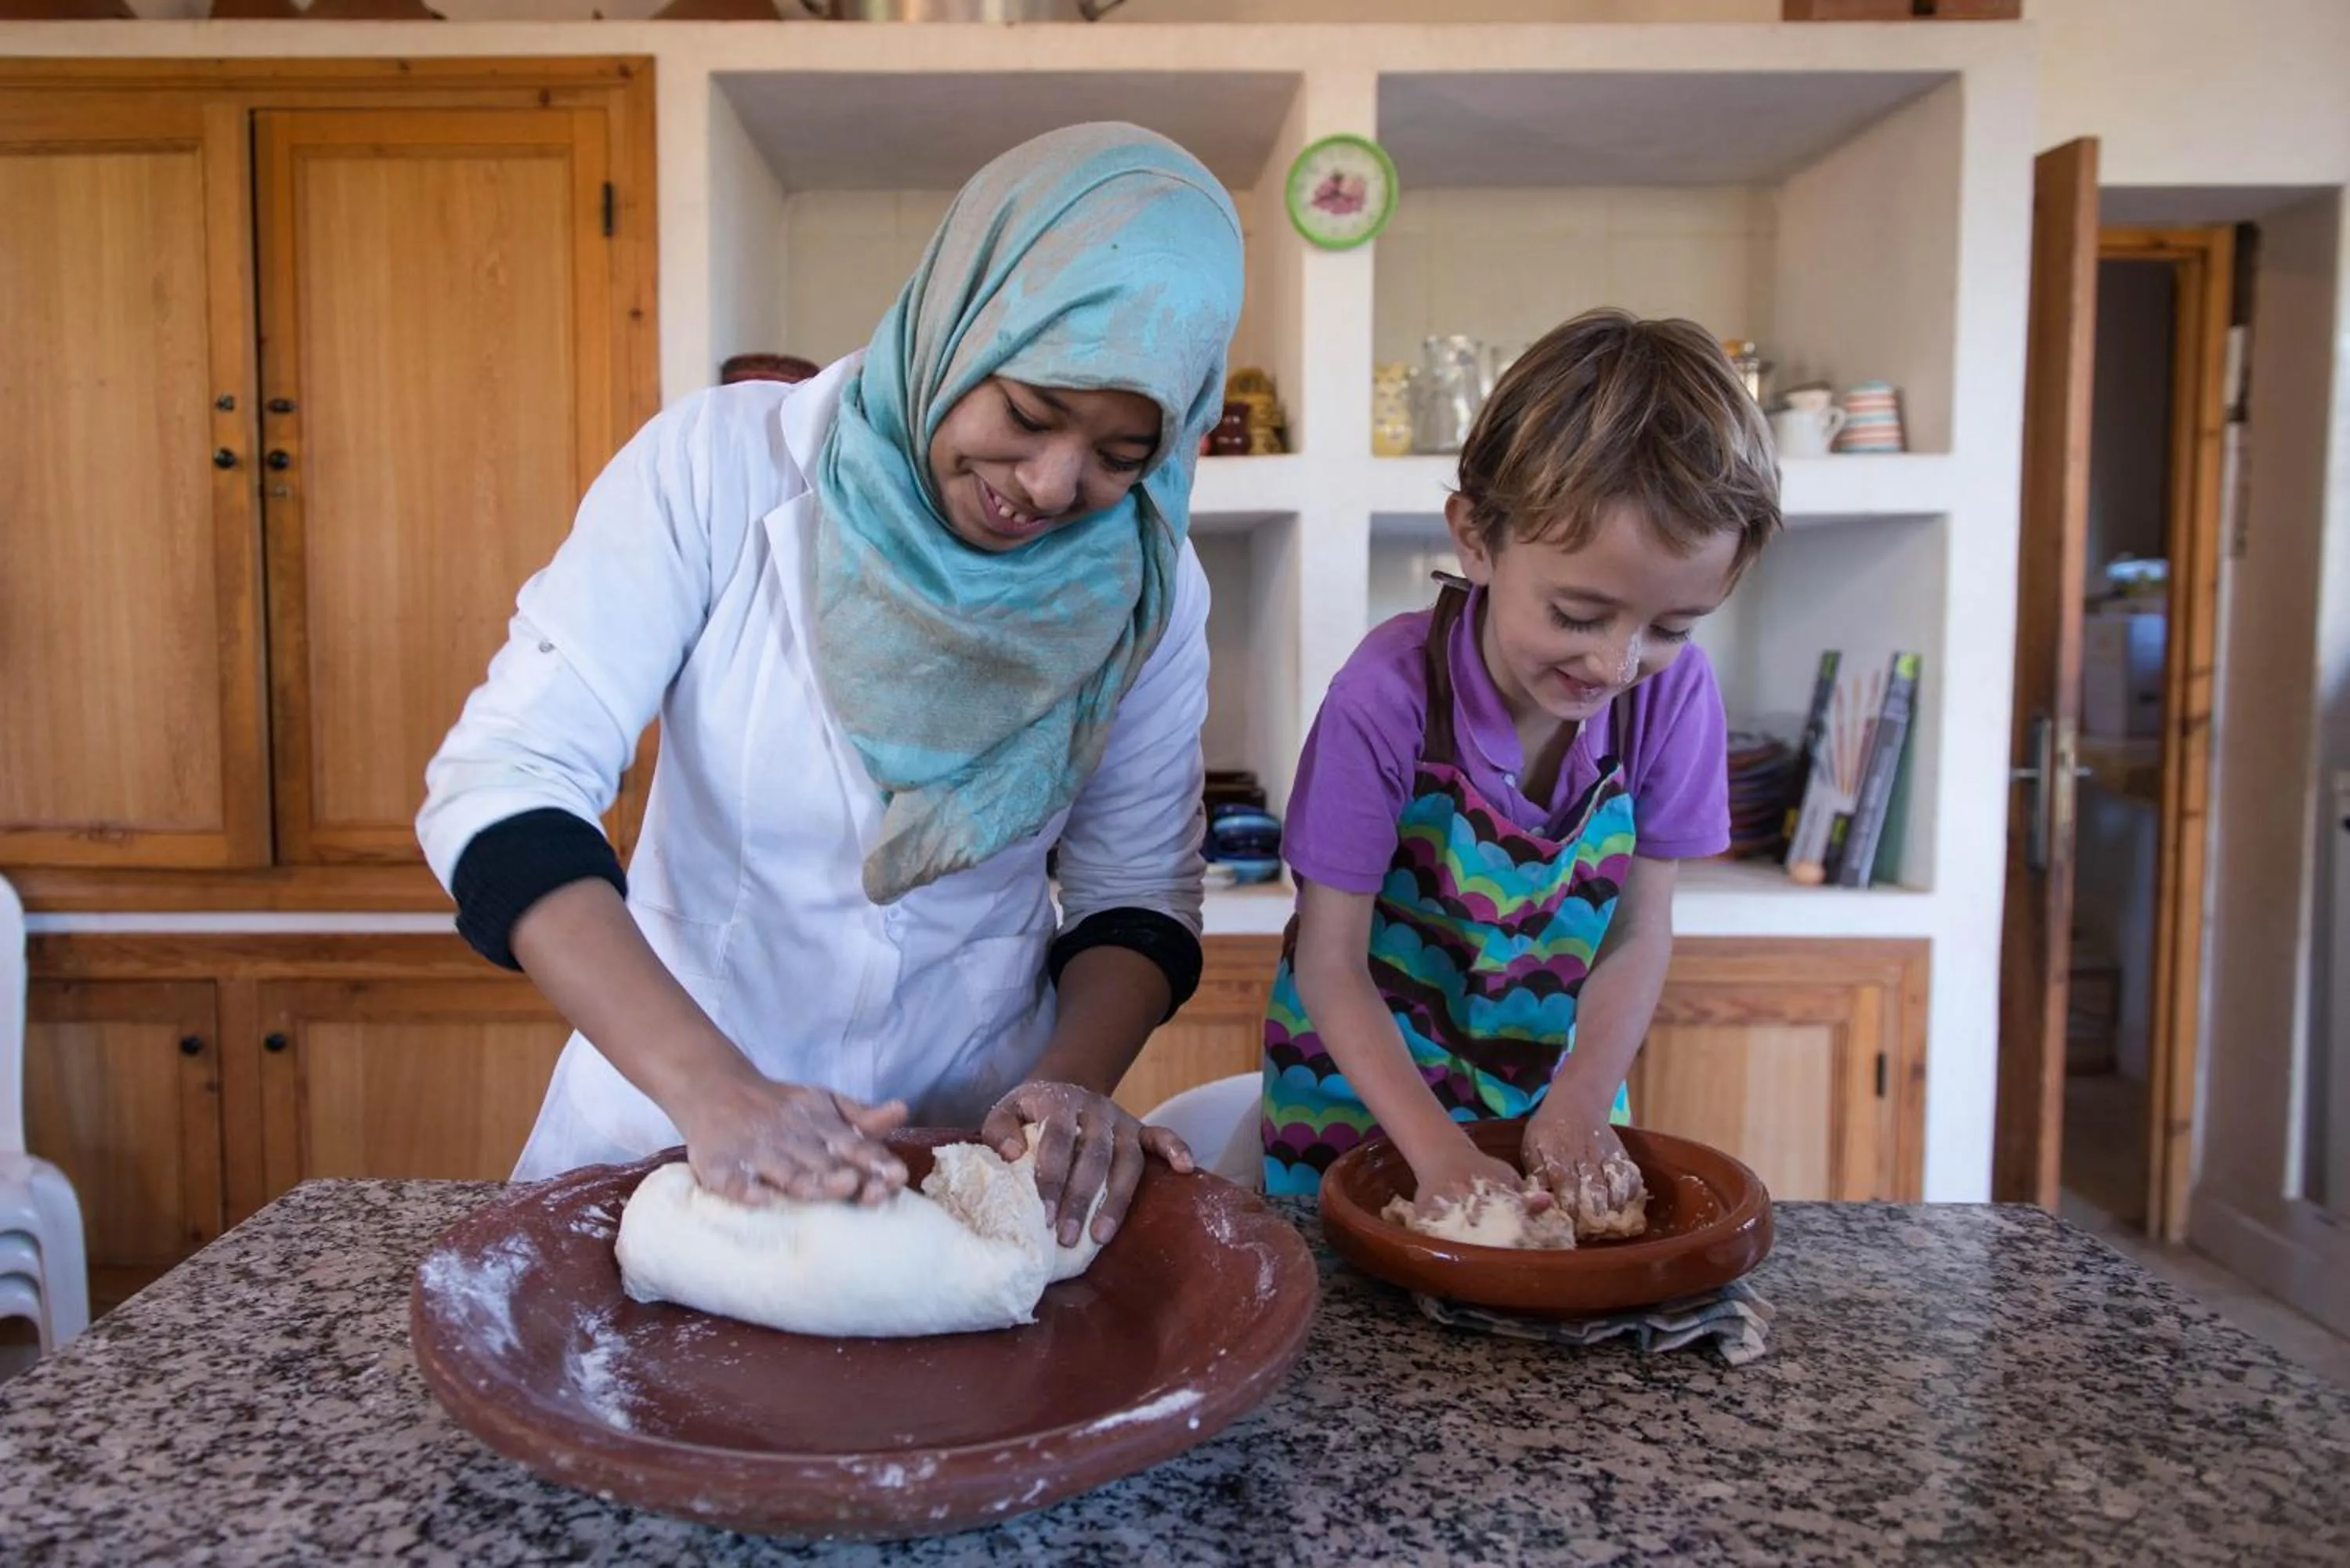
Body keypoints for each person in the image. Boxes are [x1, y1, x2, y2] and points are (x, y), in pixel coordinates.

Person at [417, 122, 1245, 1251]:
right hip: (669, 1139)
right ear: (964, 321)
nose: (1053, 485)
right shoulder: (716, 467)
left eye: (1123, 451)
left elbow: (1137, 889)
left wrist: (1067, 1086)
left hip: (964, 1170)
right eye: (1031, 413)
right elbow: (506, 783)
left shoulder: (1150, 577)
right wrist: (713, 1088)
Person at [1260, 309, 1781, 1204]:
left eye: (1670, 627)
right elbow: (1331, 961)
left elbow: (1636, 927)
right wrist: (1437, 1153)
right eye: (1578, 615)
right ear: (1475, 536)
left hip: (1556, 1087)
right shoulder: (1385, 699)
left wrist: (1582, 1101)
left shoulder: (1674, 696)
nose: (1614, 665)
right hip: (1363, 1101)